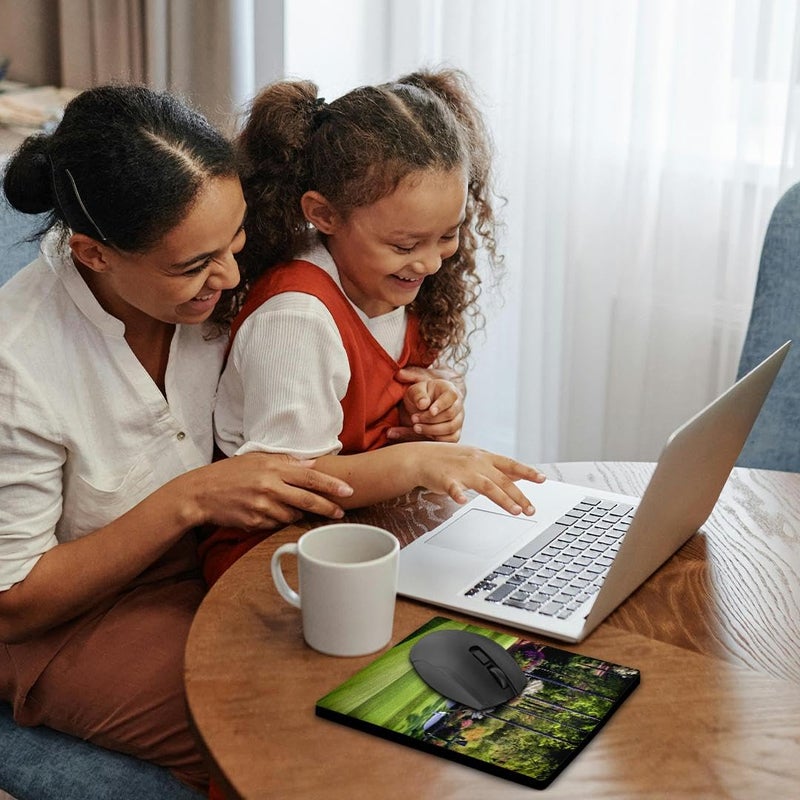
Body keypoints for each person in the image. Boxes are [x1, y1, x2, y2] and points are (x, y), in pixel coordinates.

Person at [0, 85, 355, 794]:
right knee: (285, 737)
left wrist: (424, 387)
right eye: (193, 266)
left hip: (215, 566)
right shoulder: (20, 362)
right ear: (93, 255)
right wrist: (190, 499)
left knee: (371, 680)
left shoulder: (220, 283)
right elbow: (14, 600)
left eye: (236, 241)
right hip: (71, 622)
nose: (227, 277)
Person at [200, 68, 546, 586]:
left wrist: (433, 408)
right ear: (323, 214)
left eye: (447, 236)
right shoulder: (296, 318)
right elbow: (295, 481)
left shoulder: (391, 286)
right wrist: (417, 462)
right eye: (406, 246)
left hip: (370, 531)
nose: (430, 264)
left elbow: (390, 398)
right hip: (273, 555)